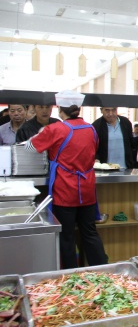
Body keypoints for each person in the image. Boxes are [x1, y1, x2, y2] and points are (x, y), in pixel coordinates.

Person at [25, 90, 108, 269]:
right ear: (78, 109)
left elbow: (31, 147)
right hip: (87, 189)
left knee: (66, 236)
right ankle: (103, 270)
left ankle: (71, 275)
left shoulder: (56, 129)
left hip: (65, 190)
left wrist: (40, 133)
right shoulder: (90, 129)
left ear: (59, 109)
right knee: (90, 232)